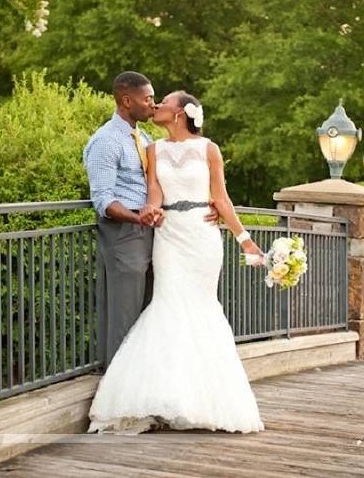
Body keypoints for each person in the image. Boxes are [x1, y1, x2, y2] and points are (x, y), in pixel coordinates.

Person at [87, 90, 266, 435]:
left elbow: (222, 198)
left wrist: (246, 242)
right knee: (166, 307)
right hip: (168, 238)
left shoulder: (209, 149)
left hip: (201, 237)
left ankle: (204, 400)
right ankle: (161, 396)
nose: (156, 107)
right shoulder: (153, 149)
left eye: (163, 103)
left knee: (201, 309)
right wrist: (150, 211)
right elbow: (154, 192)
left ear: (181, 112)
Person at [83, 71, 218, 370]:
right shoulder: (105, 141)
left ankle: (143, 384)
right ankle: (117, 392)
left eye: (155, 99)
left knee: (148, 316)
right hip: (124, 235)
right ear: (126, 100)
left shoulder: (143, 137)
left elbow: (161, 186)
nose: (153, 105)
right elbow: (103, 199)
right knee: (125, 316)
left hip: (153, 235)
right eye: (147, 99)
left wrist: (204, 204)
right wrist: (136, 217)